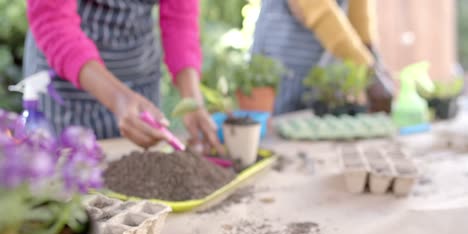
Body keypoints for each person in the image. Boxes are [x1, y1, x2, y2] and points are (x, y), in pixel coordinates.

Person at [24, 0, 222, 152]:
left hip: (140, 77)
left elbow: (180, 18)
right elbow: (52, 19)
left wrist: (192, 100)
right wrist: (117, 96)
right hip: (68, 86)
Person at [251, 0, 394, 115]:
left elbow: (360, 14)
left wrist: (375, 63)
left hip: (314, 59)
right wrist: (369, 72)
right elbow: (317, 8)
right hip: (282, 55)